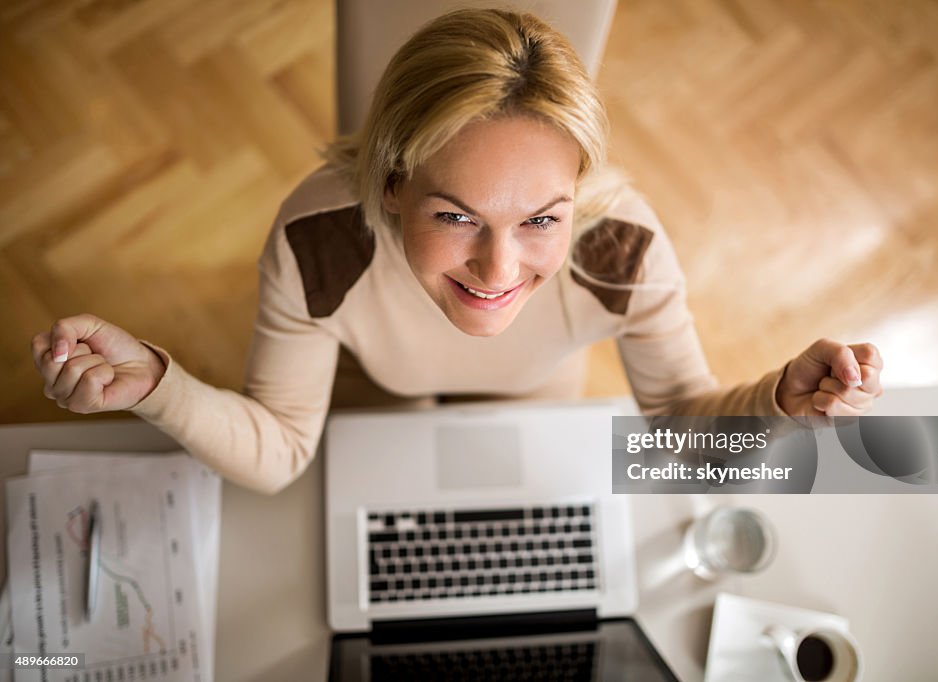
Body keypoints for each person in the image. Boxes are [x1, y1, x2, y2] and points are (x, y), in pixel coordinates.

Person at [30, 9, 883, 494]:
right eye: (458, 215)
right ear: (392, 183)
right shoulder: (317, 240)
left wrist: (776, 404)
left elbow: (674, 426)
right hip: (369, 385)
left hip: (533, 395)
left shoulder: (623, 249)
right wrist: (159, 386)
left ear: (579, 191)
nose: (500, 274)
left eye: (543, 220)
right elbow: (283, 445)